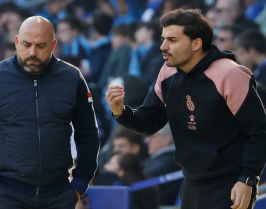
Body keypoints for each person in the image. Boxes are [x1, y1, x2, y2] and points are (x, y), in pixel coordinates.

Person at [105, 9, 266, 209]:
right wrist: (121, 112)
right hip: (190, 182)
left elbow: (260, 132)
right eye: (163, 39)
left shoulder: (230, 74)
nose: (163, 46)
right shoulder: (167, 72)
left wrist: (248, 179)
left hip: (230, 185)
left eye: (172, 40)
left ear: (196, 44)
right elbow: (150, 122)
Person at [0, 16, 100, 209]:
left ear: (53, 45)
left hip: (59, 194)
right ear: (16, 42)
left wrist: (79, 184)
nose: (32, 52)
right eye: (26, 44)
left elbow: (88, 136)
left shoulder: (72, 78)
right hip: (8, 194)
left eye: (40, 46)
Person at [143, 123, 182, 206]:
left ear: (167, 139)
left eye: (152, 136)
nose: (146, 141)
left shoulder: (171, 161)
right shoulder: (157, 159)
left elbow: (143, 178)